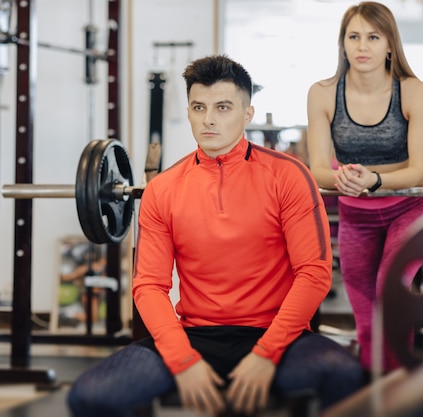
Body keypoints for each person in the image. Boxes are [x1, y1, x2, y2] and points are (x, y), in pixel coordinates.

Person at [67, 54, 363, 417]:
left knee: (344, 376)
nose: (208, 119)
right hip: (195, 335)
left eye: (223, 107)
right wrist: (182, 360)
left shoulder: (288, 176)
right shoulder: (163, 190)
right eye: (198, 107)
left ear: (247, 114)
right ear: (189, 111)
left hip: (278, 335)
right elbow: (149, 286)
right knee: (92, 396)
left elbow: (314, 273)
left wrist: (266, 354)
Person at [306, 2, 423, 374]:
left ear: (390, 44)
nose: (363, 46)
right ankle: (372, 394)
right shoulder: (323, 93)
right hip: (356, 215)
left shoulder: (412, 91)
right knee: (364, 317)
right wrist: (344, 179)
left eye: (373, 37)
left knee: (389, 294)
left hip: (408, 208)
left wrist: (374, 181)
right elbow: (317, 170)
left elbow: (418, 170)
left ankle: (401, 390)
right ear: (343, 44)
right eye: (354, 36)